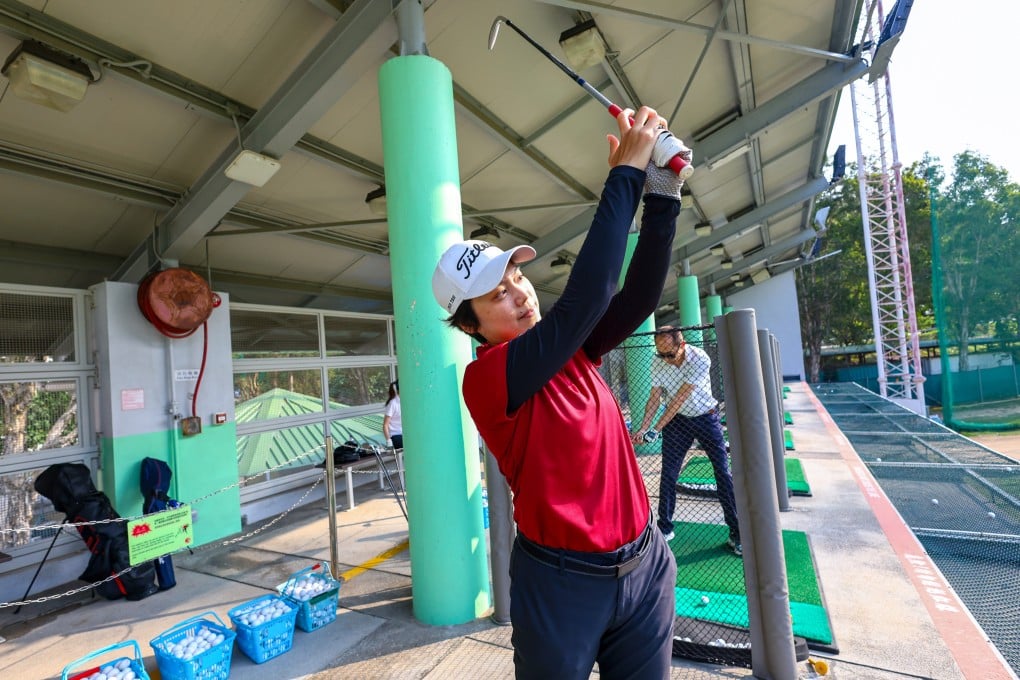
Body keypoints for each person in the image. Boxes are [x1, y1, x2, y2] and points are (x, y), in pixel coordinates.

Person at [432, 106, 689, 679]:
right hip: (561, 584)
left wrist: (662, 195)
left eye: (517, 277)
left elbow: (638, 298)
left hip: (644, 565)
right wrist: (624, 175)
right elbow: (590, 294)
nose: (521, 294)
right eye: (497, 295)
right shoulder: (488, 377)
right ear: (471, 326)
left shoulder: (572, 349)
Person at [632, 326, 742, 556]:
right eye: (661, 354)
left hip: (705, 417)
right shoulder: (658, 361)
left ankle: (736, 533)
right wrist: (643, 427)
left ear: (681, 345)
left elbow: (679, 398)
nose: (665, 359)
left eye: (669, 354)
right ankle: (665, 528)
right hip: (678, 422)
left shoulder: (699, 358)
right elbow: (655, 398)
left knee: (722, 472)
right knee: (669, 474)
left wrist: (656, 429)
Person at [383, 380, 402, 450]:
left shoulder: (406, 401)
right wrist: (389, 441)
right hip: (396, 435)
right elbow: (385, 425)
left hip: (406, 434)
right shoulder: (392, 403)